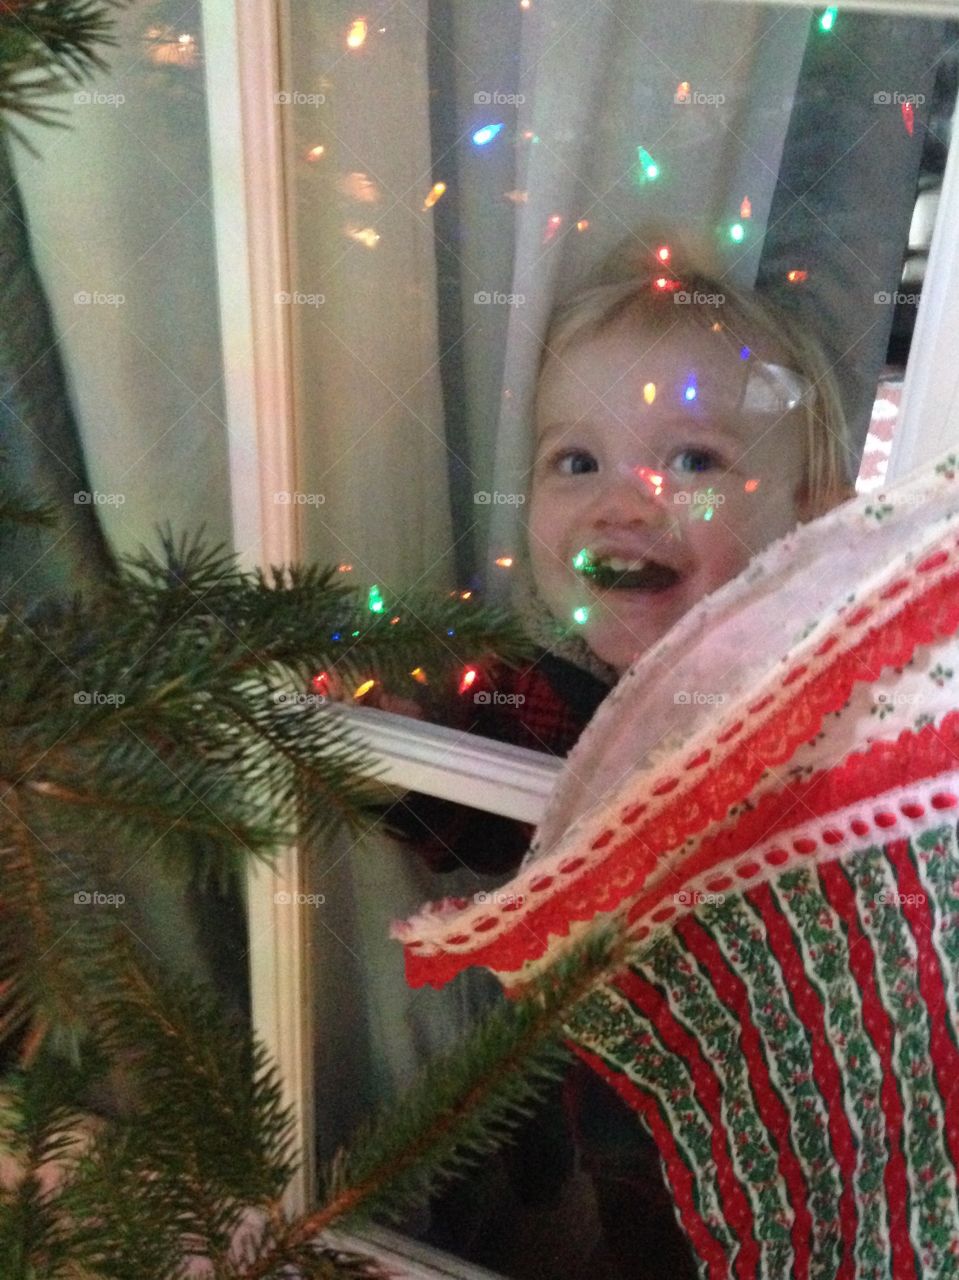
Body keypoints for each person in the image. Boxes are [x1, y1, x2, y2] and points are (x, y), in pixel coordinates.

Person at [368, 241, 855, 1279]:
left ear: (809, 509)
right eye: (574, 462)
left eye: (693, 461)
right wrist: (389, 742)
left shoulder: (828, 689)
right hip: (618, 1115)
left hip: (809, 1120)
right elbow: (474, 813)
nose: (620, 503)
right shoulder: (550, 686)